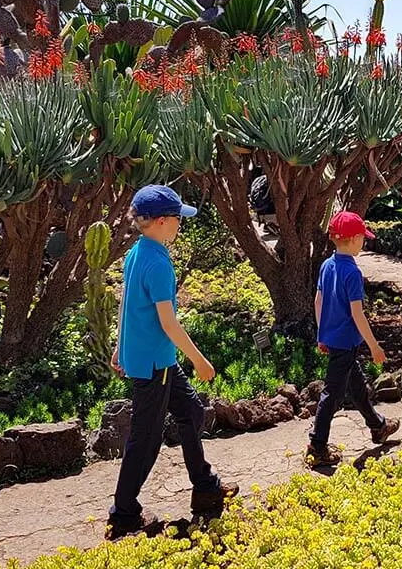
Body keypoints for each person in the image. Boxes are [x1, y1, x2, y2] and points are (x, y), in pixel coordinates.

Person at [107, 185, 238, 539]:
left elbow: (126, 304)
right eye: (179, 219)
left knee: (192, 413)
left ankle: (206, 487)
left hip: (153, 359)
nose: (181, 225)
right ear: (163, 222)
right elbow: (168, 322)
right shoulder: (158, 263)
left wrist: (119, 346)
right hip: (156, 364)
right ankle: (123, 514)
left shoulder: (137, 253)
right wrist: (199, 360)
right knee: (145, 440)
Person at [305, 211, 400, 466]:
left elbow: (318, 301)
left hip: (334, 339)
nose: (364, 243)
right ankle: (317, 445)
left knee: (357, 387)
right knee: (331, 394)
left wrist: (321, 334)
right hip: (347, 342)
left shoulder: (327, 265)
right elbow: (357, 314)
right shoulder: (353, 273)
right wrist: (374, 346)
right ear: (355, 239)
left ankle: (377, 426)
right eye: (363, 238)